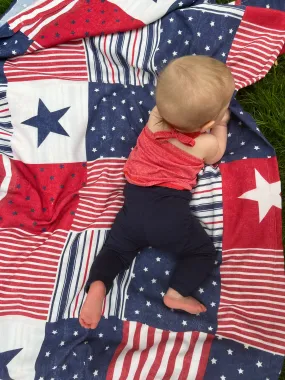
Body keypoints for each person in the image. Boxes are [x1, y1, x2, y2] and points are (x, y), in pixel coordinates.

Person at [79, 55, 235, 329]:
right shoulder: (204, 143)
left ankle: (99, 283)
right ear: (205, 125)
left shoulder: (155, 118)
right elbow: (216, 154)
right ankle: (176, 293)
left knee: (116, 249)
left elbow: (176, 107)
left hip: (134, 208)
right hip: (169, 216)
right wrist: (220, 124)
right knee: (201, 252)